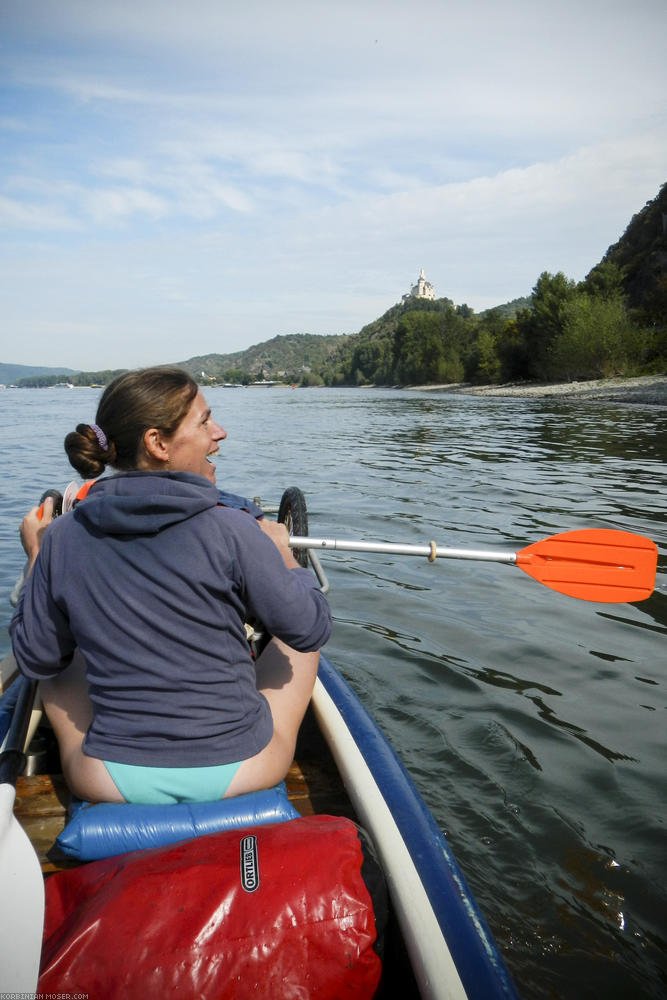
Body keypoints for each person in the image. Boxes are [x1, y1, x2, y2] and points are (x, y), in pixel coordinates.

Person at [10, 366, 331, 805]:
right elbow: (311, 628)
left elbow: (36, 656)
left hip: (110, 782)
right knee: (301, 641)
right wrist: (283, 555)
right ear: (157, 444)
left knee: (58, 661)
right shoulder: (234, 529)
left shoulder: (63, 538)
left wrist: (37, 558)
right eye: (203, 421)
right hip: (243, 769)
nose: (220, 432)